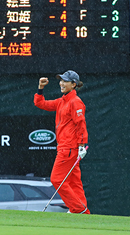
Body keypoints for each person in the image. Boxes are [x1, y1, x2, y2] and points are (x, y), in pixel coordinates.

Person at [33, 70, 90, 214]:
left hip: (69, 148)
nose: (61, 83)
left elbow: (81, 124)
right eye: (61, 80)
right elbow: (40, 103)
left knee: (57, 179)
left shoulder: (75, 102)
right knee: (73, 182)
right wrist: (40, 88)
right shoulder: (62, 101)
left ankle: (78, 209)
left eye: (65, 81)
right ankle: (84, 213)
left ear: (74, 84)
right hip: (66, 147)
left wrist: (82, 145)